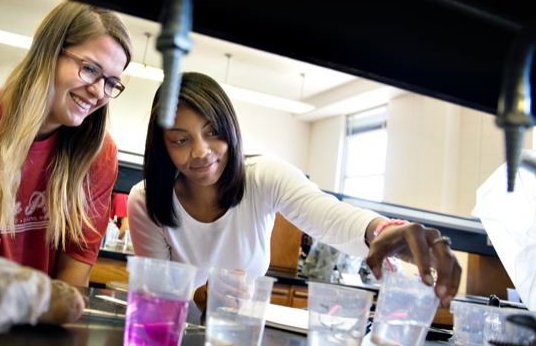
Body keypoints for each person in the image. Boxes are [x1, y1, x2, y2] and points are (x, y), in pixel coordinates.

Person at [128, 72, 461, 306]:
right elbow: (158, 297)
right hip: (175, 340)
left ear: (230, 128)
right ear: (163, 145)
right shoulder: (147, 201)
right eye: (181, 140)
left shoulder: (263, 177)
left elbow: (330, 217)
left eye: (212, 131)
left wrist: (383, 231)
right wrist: (201, 297)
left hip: (240, 338)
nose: (201, 151)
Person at [0, 0, 132, 286]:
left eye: (111, 83)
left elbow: (73, 276)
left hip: (40, 320)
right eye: (90, 69)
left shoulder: (97, 153)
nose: (98, 92)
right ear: (48, 53)